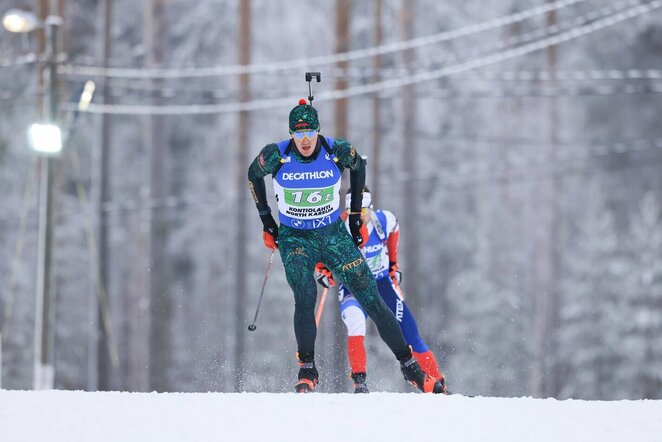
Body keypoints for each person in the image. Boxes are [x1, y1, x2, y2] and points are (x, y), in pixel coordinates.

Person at [247, 99, 445, 393]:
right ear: (291, 134)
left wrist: (354, 217)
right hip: (295, 239)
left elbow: (359, 166)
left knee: (371, 297)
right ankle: (307, 370)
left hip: (333, 235)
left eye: (309, 132)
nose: (304, 140)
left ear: (318, 130)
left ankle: (411, 368)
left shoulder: (335, 150)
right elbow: (253, 175)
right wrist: (266, 221)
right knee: (305, 294)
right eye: (298, 133)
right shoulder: (276, 155)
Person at [315, 187, 447, 394]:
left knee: (410, 334)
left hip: (382, 284)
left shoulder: (384, 221)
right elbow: (321, 249)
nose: (359, 219)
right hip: (354, 288)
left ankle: (438, 383)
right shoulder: (339, 228)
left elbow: (394, 232)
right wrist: (324, 270)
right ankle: (360, 383)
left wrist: (394, 264)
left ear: (371, 209)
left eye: (363, 213)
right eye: (353, 213)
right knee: (356, 323)